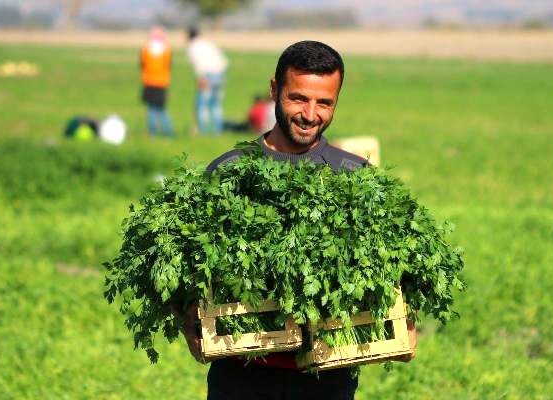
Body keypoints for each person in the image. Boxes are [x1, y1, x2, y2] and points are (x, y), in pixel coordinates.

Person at [176, 40, 417, 400]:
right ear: (274, 89)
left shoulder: (354, 176)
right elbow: (182, 258)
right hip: (242, 375)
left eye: (324, 103)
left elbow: (400, 261)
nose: (310, 114)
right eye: (298, 99)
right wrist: (187, 319)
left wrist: (406, 320)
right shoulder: (230, 171)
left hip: (328, 377)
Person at [186, 27, 228, 135]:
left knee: (202, 105)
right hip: (220, 74)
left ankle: (203, 131)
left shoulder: (192, 47)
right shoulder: (208, 43)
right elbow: (223, 60)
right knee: (216, 104)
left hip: (207, 75)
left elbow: (198, 63)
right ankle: (218, 130)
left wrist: (201, 77)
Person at [140, 26, 175, 137]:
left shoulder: (146, 48)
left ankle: (153, 133)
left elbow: (142, 64)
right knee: (162, 108)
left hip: (149, 81)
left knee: (151, 109)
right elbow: (168, 65)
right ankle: (169, 132)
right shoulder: (167, 49)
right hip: (162, 82)